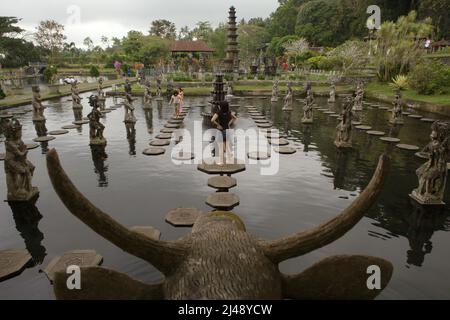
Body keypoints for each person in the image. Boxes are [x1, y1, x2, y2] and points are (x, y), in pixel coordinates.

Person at [211, 101, 237, 165]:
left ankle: (221, 162)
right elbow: (235, 118)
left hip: (220, 131)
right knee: (227, 146)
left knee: (220, 148)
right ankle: (229, 159)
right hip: (227, 130)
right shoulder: (229, 112)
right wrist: (229, 123)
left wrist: (218, 125)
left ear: (221, 106)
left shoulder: (219, 112)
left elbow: (212, 120)